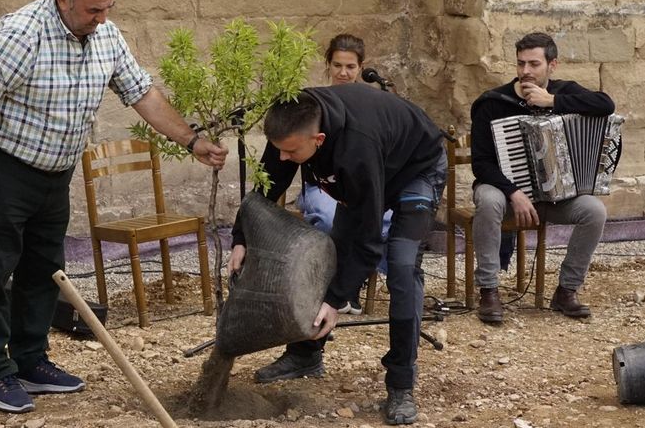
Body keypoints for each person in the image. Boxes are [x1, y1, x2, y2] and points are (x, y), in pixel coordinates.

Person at [0, 0, 227, 414]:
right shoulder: (19, 34)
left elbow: (143, 93)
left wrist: (192, 140)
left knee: (44, 268)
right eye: (94, 10)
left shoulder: (106, 37)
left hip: (55, 173)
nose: (103, 19)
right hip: (3, 169)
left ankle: (31, 360)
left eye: (108, 8)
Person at [228, 85, 446, 425]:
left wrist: (336, 300)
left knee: (402, 266)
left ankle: (401, 384)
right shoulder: (291, 125)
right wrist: (241, 237)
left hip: (416, 169)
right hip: (368, 170)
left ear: (319, 139)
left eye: (289, 152)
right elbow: (266, 190)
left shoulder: (356, 148)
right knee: (328, 253)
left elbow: (369, 240)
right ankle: (306, 354)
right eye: (278, 150)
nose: (282, 158)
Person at [470, 32, 614, 324]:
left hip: (554, 197)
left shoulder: (565, 92)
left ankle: (566, 290)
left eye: (534, 64)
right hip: (507, 194)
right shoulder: (493, 103)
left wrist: (552, 101)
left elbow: (606, 105)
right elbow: (481, 164)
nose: (526, 71)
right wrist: (514, 192)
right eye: (521, 63)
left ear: (552, 65)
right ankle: (489, 289)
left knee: (594, 211)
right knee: (487, 198)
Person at [294, 33, 392, 314]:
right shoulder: (314, 103)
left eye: (350, 67)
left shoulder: (374, 101)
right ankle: (331, 287)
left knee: (387, 219)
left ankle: (354, 281)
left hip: (363, 187)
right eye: (337, 65)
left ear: (361, 68)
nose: (343, 73)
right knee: (329, 218)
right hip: (322, 187)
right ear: (328, 65)